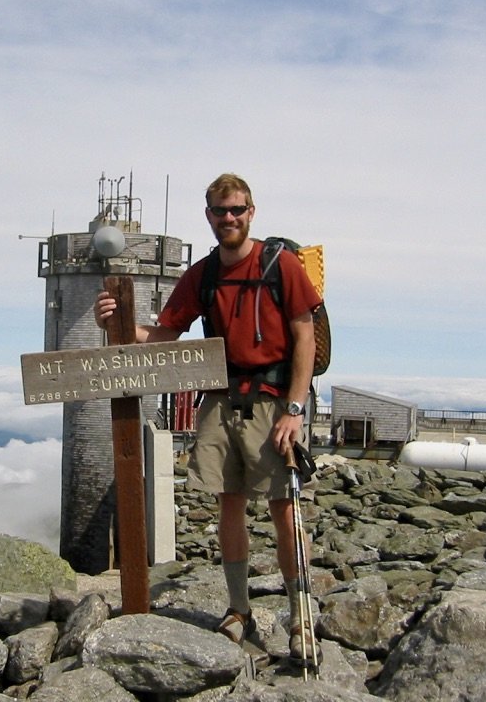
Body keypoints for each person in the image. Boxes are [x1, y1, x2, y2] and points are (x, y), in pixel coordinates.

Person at [94, 173, 322, 660]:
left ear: (251, 212)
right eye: (221, 212)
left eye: (237, 210)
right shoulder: (203, 274)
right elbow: (163, 336)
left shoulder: (281, 266)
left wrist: (295, 410)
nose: (229, 219)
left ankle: (300, 615)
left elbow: (306, 337)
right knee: (229, 504)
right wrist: (116, 322)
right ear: (209, 216)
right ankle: (239, 610)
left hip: (274, 400)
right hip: (221, 398)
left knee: (283, 508)